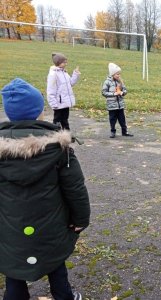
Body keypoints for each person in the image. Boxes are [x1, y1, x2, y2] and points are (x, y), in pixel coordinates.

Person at [0, 78, 90, 300]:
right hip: (52, 228)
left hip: (9, 230)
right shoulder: (59, 149)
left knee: (14, 267)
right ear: (40, 112)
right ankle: (64, 296)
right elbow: (75, 189)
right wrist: (81, 220)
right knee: (55, 264)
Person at [47, 52, 80, 130]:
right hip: (58, 103)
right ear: (58, 62)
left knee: (65, 120)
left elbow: (70, 83)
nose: (66, 64)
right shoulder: (53, 74)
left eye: (66, 62)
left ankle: (67, 135)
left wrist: (75, 74)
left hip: (65, 102)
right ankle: (55, 135)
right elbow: (50, 90)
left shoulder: (64, 73)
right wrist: (53, 103)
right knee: (57, 121)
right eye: (64, 62)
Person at [102, 62, 133, 138]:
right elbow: (104, 92)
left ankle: (124, 132)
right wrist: (113, 94)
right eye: (117, 74)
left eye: (119, 74)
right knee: (112, 119)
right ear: (112, 74)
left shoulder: (120, 82)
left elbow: (125, 90)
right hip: (112, 105)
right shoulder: (107, 82)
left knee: (122, 119)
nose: (119, 75)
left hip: (120, 105)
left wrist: (122, 93)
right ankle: (113, 132)